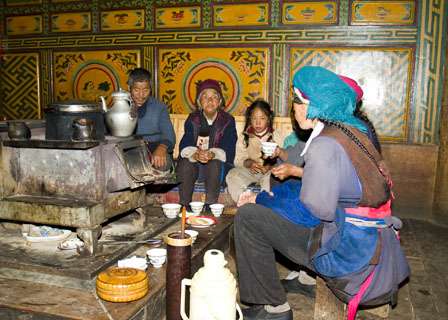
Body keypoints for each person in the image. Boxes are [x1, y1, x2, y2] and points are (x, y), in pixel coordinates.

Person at [234, 66, 410, 320]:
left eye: (296, 100)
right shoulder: (350, 132)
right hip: (367, 242)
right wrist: (272, 198)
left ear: (309, 105)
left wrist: (260, 199)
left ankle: (274, 309)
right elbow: (311, 189)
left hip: (351, 257)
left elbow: (311, 212)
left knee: (249, 218)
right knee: (272, 202)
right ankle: (300, 283)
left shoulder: (324, 145)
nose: (294, 109)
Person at [176, 79, 237, 211]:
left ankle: (210, 206)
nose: (210, 101)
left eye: (214, 97)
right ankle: (185, 206)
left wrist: (213, 154)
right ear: (199, 102)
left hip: (217, 167)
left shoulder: (228, 121)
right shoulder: (192, 119)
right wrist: (195, 153)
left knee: (214, 165)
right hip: (196, 167)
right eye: (205, 97)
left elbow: (230, 149)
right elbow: (185, 144)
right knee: (186, 164)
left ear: (220, 102)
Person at [226, 99, 284, 202]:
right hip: (251, 171)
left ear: (269, 118)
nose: (258, 123)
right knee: (232, 175)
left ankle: (263, 206)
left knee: (269, 179)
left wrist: (270, 165)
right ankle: (242, 202)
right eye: (254, 118)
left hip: (269, 172)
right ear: (249, 119)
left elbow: (282, 160)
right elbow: (238, 160)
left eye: (262, 118)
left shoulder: (276, 135)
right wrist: (249, 163)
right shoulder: (245, 136)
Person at [127, 68, 176, 171]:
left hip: (155, 147)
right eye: (136, 90)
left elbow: (169, 133)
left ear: (150, 89)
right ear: (129, 88)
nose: (141, 95)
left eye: (145, 90)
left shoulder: (159, 106)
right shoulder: (121, 107)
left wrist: (162, 147)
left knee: (162, 163)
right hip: (129, 148)